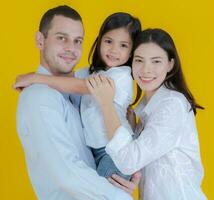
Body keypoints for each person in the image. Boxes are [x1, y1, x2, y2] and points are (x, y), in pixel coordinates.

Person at [16, 5, 140, 200]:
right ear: (40, 40)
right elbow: (68, 176)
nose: (71, 49)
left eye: (77, 41)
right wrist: (119, 195)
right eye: (61, 38)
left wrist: (123, 179)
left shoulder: (81, 84)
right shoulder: (40, 97)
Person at [86, 28, 207, 200]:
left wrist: (106, 104)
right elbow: (145, 165)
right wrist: (133, 181)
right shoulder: (144, 110)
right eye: (139, 60)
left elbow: (128, 160)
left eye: (156, 61)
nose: (146, 70)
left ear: (170, 64)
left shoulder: (172, 105)